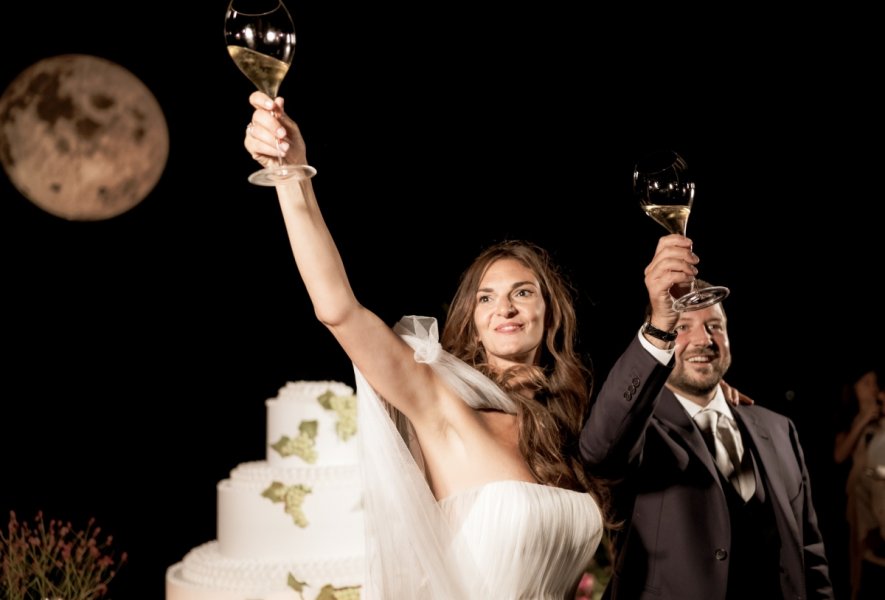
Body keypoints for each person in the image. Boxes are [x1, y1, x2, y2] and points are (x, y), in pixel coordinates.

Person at [241, 91, 607, 599]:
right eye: (487, 298)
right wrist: (292, 177)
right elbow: (338, 310)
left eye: (523, 292)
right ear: (474, 323)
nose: (506, 308)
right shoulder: (442, 404)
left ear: (550, 313)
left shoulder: (576, 429)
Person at [580, 234, 833, 600]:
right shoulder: (637, 429)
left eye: (715, 326)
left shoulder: (779, 429)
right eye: (682, 328)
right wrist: (659, 325)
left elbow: (810, 554)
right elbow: (599, 451)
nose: (703, 339)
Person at [833, 365, 885, 599]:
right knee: (860, 556)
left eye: (874, 383)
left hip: (881, 492)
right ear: (853, 390)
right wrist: (863, 419)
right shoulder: (850, 421)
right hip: (860, 497)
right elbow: (840, 455)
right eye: (866, 384)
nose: (872, 389)